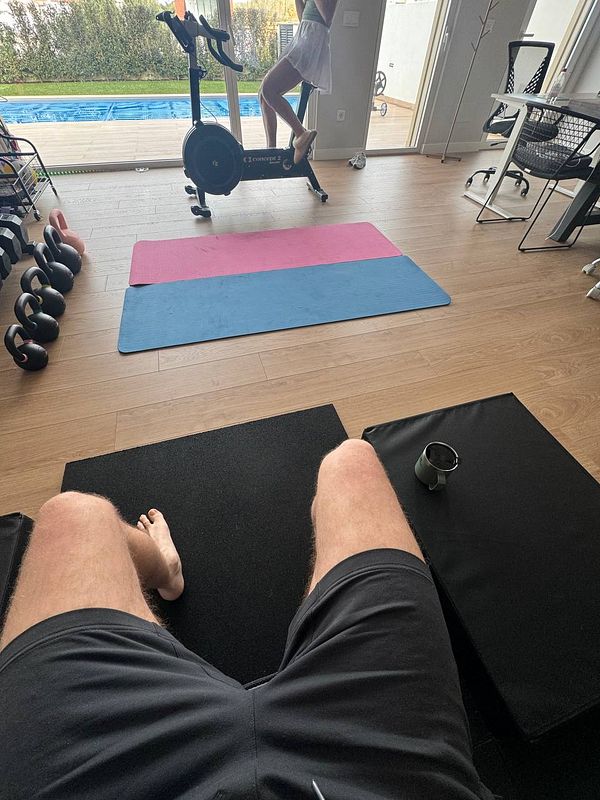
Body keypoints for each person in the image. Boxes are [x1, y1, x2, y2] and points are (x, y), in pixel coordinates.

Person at [0, 440, 493, 800]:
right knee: (351, 463)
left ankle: (166, 570)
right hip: (391, 778)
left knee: (73, 515)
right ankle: (168, 571)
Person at [259, 0, 339, 164]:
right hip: (304, 34)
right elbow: (304, 17)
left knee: (269, 89)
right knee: (263, 95)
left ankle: (301, 133)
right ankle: (272, 152)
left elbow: (328, 17)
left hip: (312, 39)